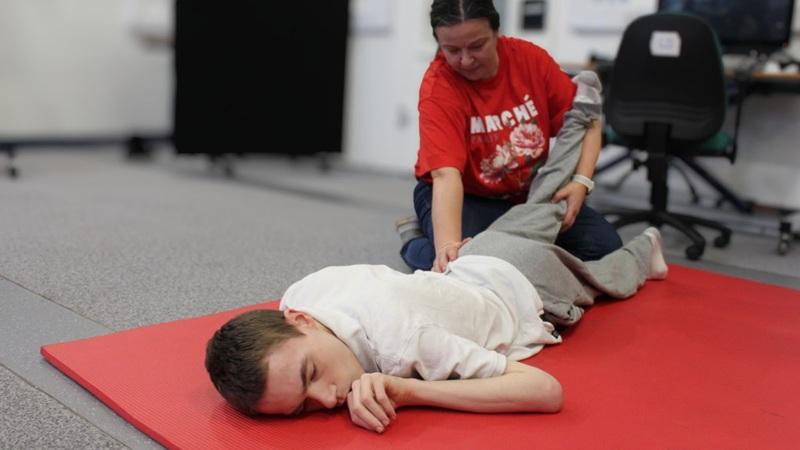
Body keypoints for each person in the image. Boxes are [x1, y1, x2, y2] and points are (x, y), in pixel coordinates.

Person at [204, 76, 669, 433]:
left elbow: (546, 391)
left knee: (610, 277)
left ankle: (647, 246)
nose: (327, 398)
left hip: (531, 286)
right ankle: (580, 110)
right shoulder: (299, 299)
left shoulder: (408, 345)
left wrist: (409, 390)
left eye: (310, 374)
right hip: (478, 257)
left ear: (301, 322)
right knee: (543, 198)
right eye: (303, 407)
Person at [399, 0, 622, 272]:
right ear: (439, 43)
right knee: (471, 263)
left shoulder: (530, 60)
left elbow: (588, 120)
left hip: (526, 196)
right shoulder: (439, 88)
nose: (466, 60)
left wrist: (581, 182)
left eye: (477, 46)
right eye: (452, 50)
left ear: (496, 32)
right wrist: (447, 248)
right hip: (466, 195)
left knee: (604, 250)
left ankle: (515, 247)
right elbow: (447, 177)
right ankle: (415, 243)